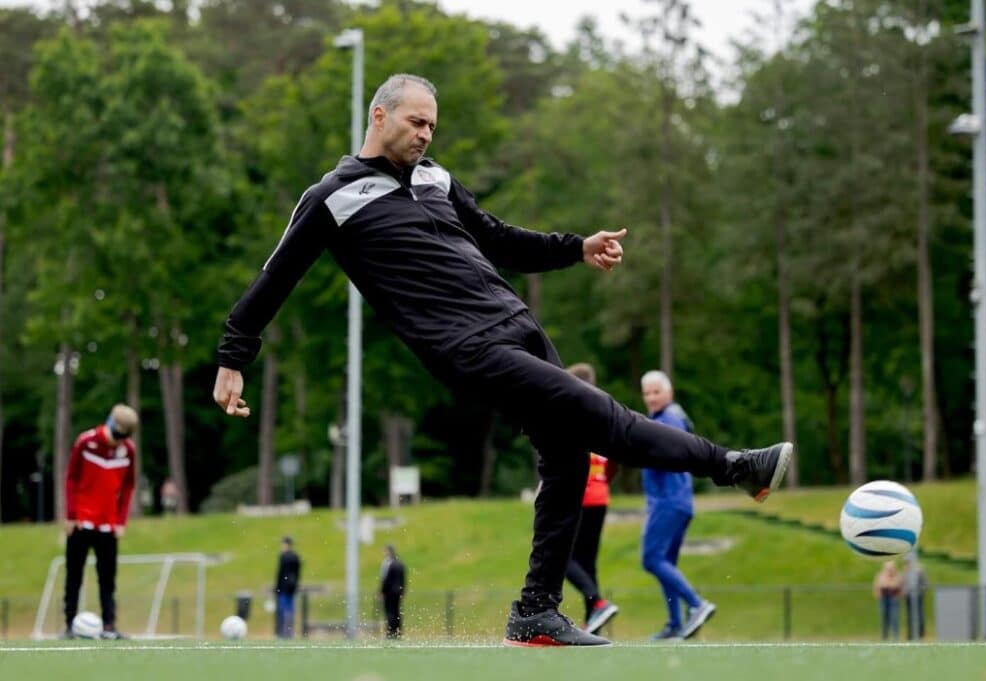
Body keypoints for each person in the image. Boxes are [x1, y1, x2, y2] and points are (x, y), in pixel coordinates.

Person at [212, 73, 792, 647]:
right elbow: (274, 279)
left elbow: (499, 238)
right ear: (380, 116)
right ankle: (734, 466)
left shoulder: (437, 177)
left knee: (567, 459)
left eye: (433, 125)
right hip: (468, 348)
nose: (426, 135)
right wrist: (234, 357)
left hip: (519, 327)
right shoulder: (332, 197)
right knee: (601, 415)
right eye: (417, 122)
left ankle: (536, 612)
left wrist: (576, 247)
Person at [639, 371, 716, 640]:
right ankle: (675, 624)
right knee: (665, 562)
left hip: (667, 502)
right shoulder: (671, 419)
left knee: (651, 560)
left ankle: (697, 604)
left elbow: (666, 455)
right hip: (681, 502)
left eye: (656, 392)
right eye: (646, 393)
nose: (651, 397)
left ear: (669, 393)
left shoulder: (667, 420)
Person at [63, 404, 138, 640]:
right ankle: (69, 625)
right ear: (109, 423)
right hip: (81, 522)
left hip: (109, 525)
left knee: (107, 578)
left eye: (123, 438)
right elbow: (71, 478)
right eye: (116, 435)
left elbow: (128, 486)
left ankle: (109, 625)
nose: (118, 441)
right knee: (73, 575)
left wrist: (121, 520)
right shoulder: (85, 442)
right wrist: (70, 514)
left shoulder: (128, 451)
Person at [562, 363, 619, 635]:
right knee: (587, 560)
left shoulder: (572, 410)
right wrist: (604, 480)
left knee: (561, 557)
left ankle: (597, 602)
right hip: (601, 495)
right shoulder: (604, 409)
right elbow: (616, 454)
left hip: (579, 495)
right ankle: (593, 622)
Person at [274, 536, 301, 638]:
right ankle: (289, 632)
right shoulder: (295, 556)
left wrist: (277, 587)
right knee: (290, 610)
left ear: (286, 544)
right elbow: (297, 574)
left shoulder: (284, 556)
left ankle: (283, 632)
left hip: (284, 588)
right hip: (291, 588)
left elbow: (280, 574)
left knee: (283, 610)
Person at [380, 544, 407, 639]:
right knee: (397, 612)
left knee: (390, 612)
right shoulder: (400, 563)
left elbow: (386, 580)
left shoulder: (388, 563)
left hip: (389, 592)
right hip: (398, 592)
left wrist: (382, 591)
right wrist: (403, 591)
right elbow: (403, 580)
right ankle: (398, 632)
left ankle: (391, 632)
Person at [873, 560, 904, 640]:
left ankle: (895, 636)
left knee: (894, 617)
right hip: (884, 598)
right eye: (888, 568)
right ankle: (884, 636)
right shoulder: (880, 575)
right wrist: (878, 593)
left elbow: (898, 585)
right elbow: (877, 586)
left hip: (894, 597)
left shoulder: (898, 575)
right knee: (884, 617)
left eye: (891, 568)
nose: (890, 570)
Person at [903, 551, 927, 640]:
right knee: (909, 616)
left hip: (918, 595)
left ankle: (921, 634)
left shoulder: (919, 570)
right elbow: (904, 583)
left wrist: (921, 591)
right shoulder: (905, 571)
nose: (907, 563)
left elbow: (924, 583)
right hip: (908, 596)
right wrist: (904, 591)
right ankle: (910, 634)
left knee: (920, 614)